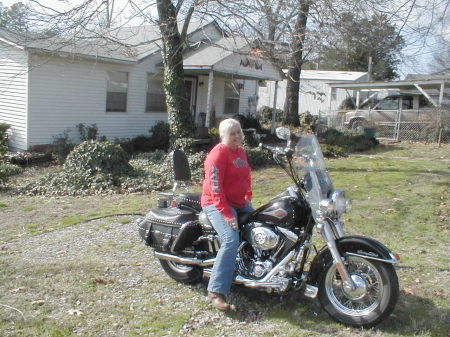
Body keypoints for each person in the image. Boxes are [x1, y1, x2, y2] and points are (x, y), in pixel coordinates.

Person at [201, 118, 253, 311]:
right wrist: (227, 214)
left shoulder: (240, 151)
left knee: (261, 226)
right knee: (231, 239)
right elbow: (215, 187)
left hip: (239, 202)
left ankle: (251, 269)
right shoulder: (218, 154)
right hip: (216, 203)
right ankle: (216, 290)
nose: (237, 136)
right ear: (223, 136)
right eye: (232, 133)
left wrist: (247, 196)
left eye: (239, 131)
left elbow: (246, 175)